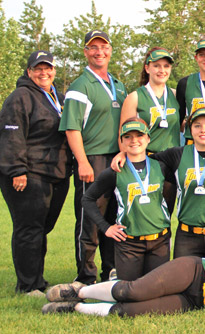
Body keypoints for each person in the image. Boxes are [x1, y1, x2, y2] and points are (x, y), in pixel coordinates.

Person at [41, 212, 205, 317]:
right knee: (133, 291)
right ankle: (79, 291)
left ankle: (74, 308)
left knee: (129, 312)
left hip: (197, 301)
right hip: (196, 275)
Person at [113, 108, 205, 263]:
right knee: (184, 285)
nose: (203, 130)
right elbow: (144, 157)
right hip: (188, 236)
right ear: (189, 130)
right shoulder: (177, 154)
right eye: (197, 125)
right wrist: (124, 153)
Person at [0, 51, 72, 296]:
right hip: (28, 174)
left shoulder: (58, 98)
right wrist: (17, 170)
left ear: (54, 70)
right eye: (38, 69)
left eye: (48, 68)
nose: (44, 73)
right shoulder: (21, 97)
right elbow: (12, 135)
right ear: (29, 72)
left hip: (56, 174)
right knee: (29, 228)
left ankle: (37, 279)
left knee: (42, 228)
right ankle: (28, 285)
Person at [59, 30, 127, 284]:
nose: (100, 52)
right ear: (86, 52)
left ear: (110, 50)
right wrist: (83, 161)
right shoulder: (80, 86)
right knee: (90, 219)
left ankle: (110, 269)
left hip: (117, 159)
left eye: (104, 47)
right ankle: (86, 275)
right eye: (93, 47)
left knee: (114, 216)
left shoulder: (118, 85)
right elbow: (71, 128)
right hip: (94, 159)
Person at [82, 119, 171, 281]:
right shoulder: (115, 171)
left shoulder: (161, 165)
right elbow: (87, 199)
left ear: (148, 138)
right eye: (128, 137)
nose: (134, 140)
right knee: (128, 293)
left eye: (139, 135)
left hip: (159, 241)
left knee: (155, 290)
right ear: (121, 141)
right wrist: (106, 228)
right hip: (129, 244)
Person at [120, 47, 179, 212]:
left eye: (166, 66)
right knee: (145, 212)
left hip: (171, 162)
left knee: (166, 213)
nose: (162, 70)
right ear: (147, 68)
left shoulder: (175, 95)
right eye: (157, 66)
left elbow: (183, 125)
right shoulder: (135, 97)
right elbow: (123, 136)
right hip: (146, 161)